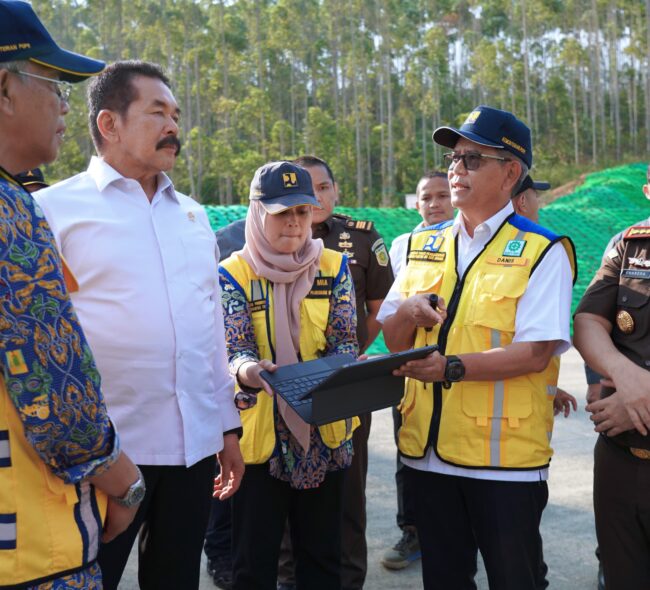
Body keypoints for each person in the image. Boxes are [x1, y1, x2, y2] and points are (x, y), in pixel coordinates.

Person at [34, 60, 244, 590]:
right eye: (157, 113)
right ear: (109, 124)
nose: (173, 126)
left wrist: (226, 428)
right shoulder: (50, 212)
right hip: (103, 458)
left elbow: (208, 333)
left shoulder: (194, 219)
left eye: (175, 114)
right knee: (88, 579)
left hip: (192, 450)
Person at [377, 105, 576, 590]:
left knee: (516, 579)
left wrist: (449, 368)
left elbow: (534, 353)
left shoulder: (542, 250)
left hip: (504, 465)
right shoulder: (423, 245)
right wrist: (407, 313)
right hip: (427, 456)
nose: (455, 170)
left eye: (472, 159)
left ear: (511, 173)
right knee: (444, 579)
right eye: (453, 158)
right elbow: (393, 337)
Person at [0, 2, 143, 587]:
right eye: (55, 83)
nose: (66, 105)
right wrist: (123, 480)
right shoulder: (12, 211)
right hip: (29, 550)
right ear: (5, 88)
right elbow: (53, 387)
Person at [221, 161, 358, 590]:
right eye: (282, 213)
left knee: (322, 560)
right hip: (261, 440)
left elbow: (345, 342)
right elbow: (234, 346)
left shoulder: (334, 267)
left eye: (302, 211)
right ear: (258, 212)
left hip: (324, 432)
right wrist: (248, 370)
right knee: (253, 563)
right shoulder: (232, 273)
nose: (295, 223)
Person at [573, 165, 650, 590]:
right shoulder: (629, 245)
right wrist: (627, 376)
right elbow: (587, 321)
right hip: (619, 459)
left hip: (626, 417)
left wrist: (639, 399)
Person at [381, 170, 453, 571]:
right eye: (427, 197)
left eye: (442, 195)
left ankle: (459, 534)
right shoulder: (403, 246)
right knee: (408, 452)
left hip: (457, 368)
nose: (435, 203)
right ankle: (412, 530)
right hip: (410, 369)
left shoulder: (467, 242)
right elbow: (391, 312)